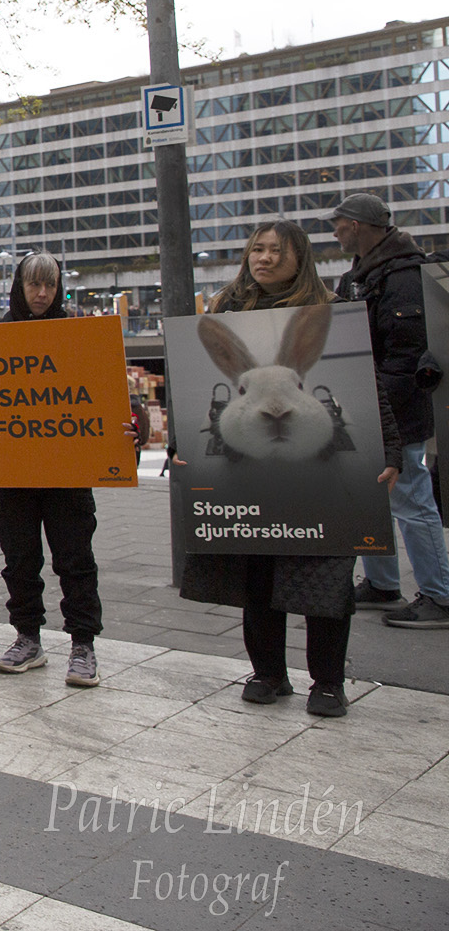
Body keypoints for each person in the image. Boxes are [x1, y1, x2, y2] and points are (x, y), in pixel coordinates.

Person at [179, 220, 401, 718]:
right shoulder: (229, 309)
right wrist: (179, 444)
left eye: (277, 250)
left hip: (321, 477)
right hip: (250, 478)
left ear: (300, 256)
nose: (265, 258)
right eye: (257, 249)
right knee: (257, 575)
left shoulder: (332, 307)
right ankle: (268, 672)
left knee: (325, 576)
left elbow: (370, 382)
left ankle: (327, 680)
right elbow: (198, 392)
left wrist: (389, 450)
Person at [0, 253, 144, 685]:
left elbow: (105, 397)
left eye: (49, 286)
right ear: (18, 286)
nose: (41, 294)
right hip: (13, 476)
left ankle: (83, 644)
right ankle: (28, 637)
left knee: (75, 560)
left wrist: (128, 431)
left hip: (67, 474)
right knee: (19, 560)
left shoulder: (79, 337)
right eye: (33, 285)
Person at [331, 193, 449, 628]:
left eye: (339, 223)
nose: (335, 231)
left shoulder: (402, 274)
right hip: (372, 402)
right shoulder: (362, 274)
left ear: (358, 226)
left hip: (395, 405)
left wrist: (380, 410)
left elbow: (405, 352)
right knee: (373, 493)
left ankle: (440, 595)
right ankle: (382, 584)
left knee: (411, 495)